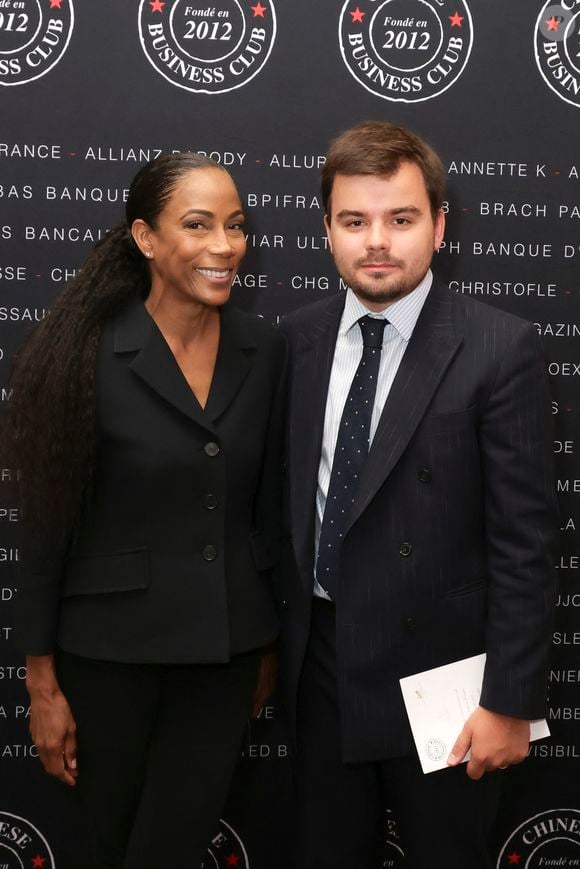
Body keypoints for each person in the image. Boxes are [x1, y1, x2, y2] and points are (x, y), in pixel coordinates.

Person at [277, 121, 557, 868]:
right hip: (324, 670)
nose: (377, 240)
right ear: (327, 230)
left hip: (446, 682)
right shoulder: (294, 342)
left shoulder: (499, 346)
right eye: (354, 221)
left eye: (400, 219)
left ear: (438, 226)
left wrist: (510, 702)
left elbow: (526, 542)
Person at [6, 152, 286, 869]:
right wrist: (41, 681)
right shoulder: (84, 351)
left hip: (222, 663)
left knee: (174, 848)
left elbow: (270, 511)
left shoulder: (267, 349)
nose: (224, 246)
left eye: (236, 225)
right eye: (198, 225)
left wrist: (265, 641)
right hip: (106, 660)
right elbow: (44, 528)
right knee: (104, 849)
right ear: (145, 237)